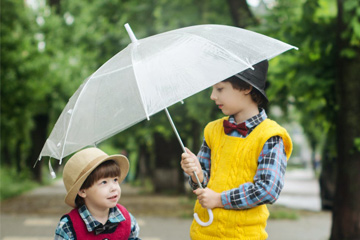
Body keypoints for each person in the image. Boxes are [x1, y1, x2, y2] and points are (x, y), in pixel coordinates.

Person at [180, 60, 293, 240]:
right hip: (203, 232)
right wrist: (197, 174)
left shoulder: (270, 136)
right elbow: (203, 185)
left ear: (246, 87)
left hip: (244, 236)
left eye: (220, 89)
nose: (212, 96)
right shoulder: (212, 130)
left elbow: (268, 190)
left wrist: (219, 199)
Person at [54, 147, 141, 240]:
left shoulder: (127, 220)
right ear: (82, 191)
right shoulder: (69, 227)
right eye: (104, 182)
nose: (114, 188)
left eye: (115, 180)